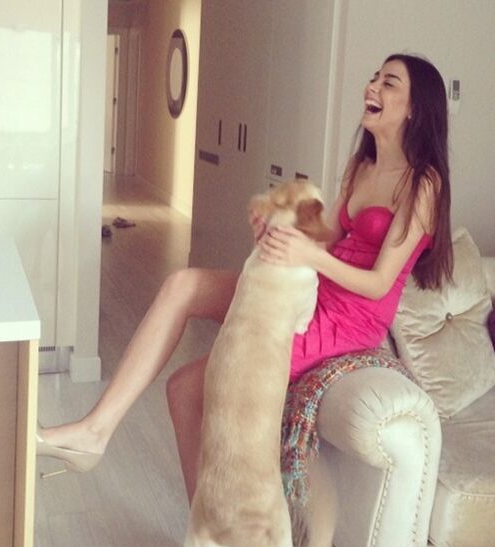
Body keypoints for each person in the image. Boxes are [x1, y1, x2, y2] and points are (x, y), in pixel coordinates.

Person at [37, 53, 453, 502]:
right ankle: (95, 431)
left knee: (184, 389)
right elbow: (327, 236)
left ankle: (208, 530)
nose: (372, 87)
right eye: (374, 78)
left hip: (348, 322)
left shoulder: (423, 184)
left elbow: (379, 283)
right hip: (314, 292)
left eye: (389, 83)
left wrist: (309, 255)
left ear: (415, 108)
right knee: (183, 285)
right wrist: (278, 229)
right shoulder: (362, 167)